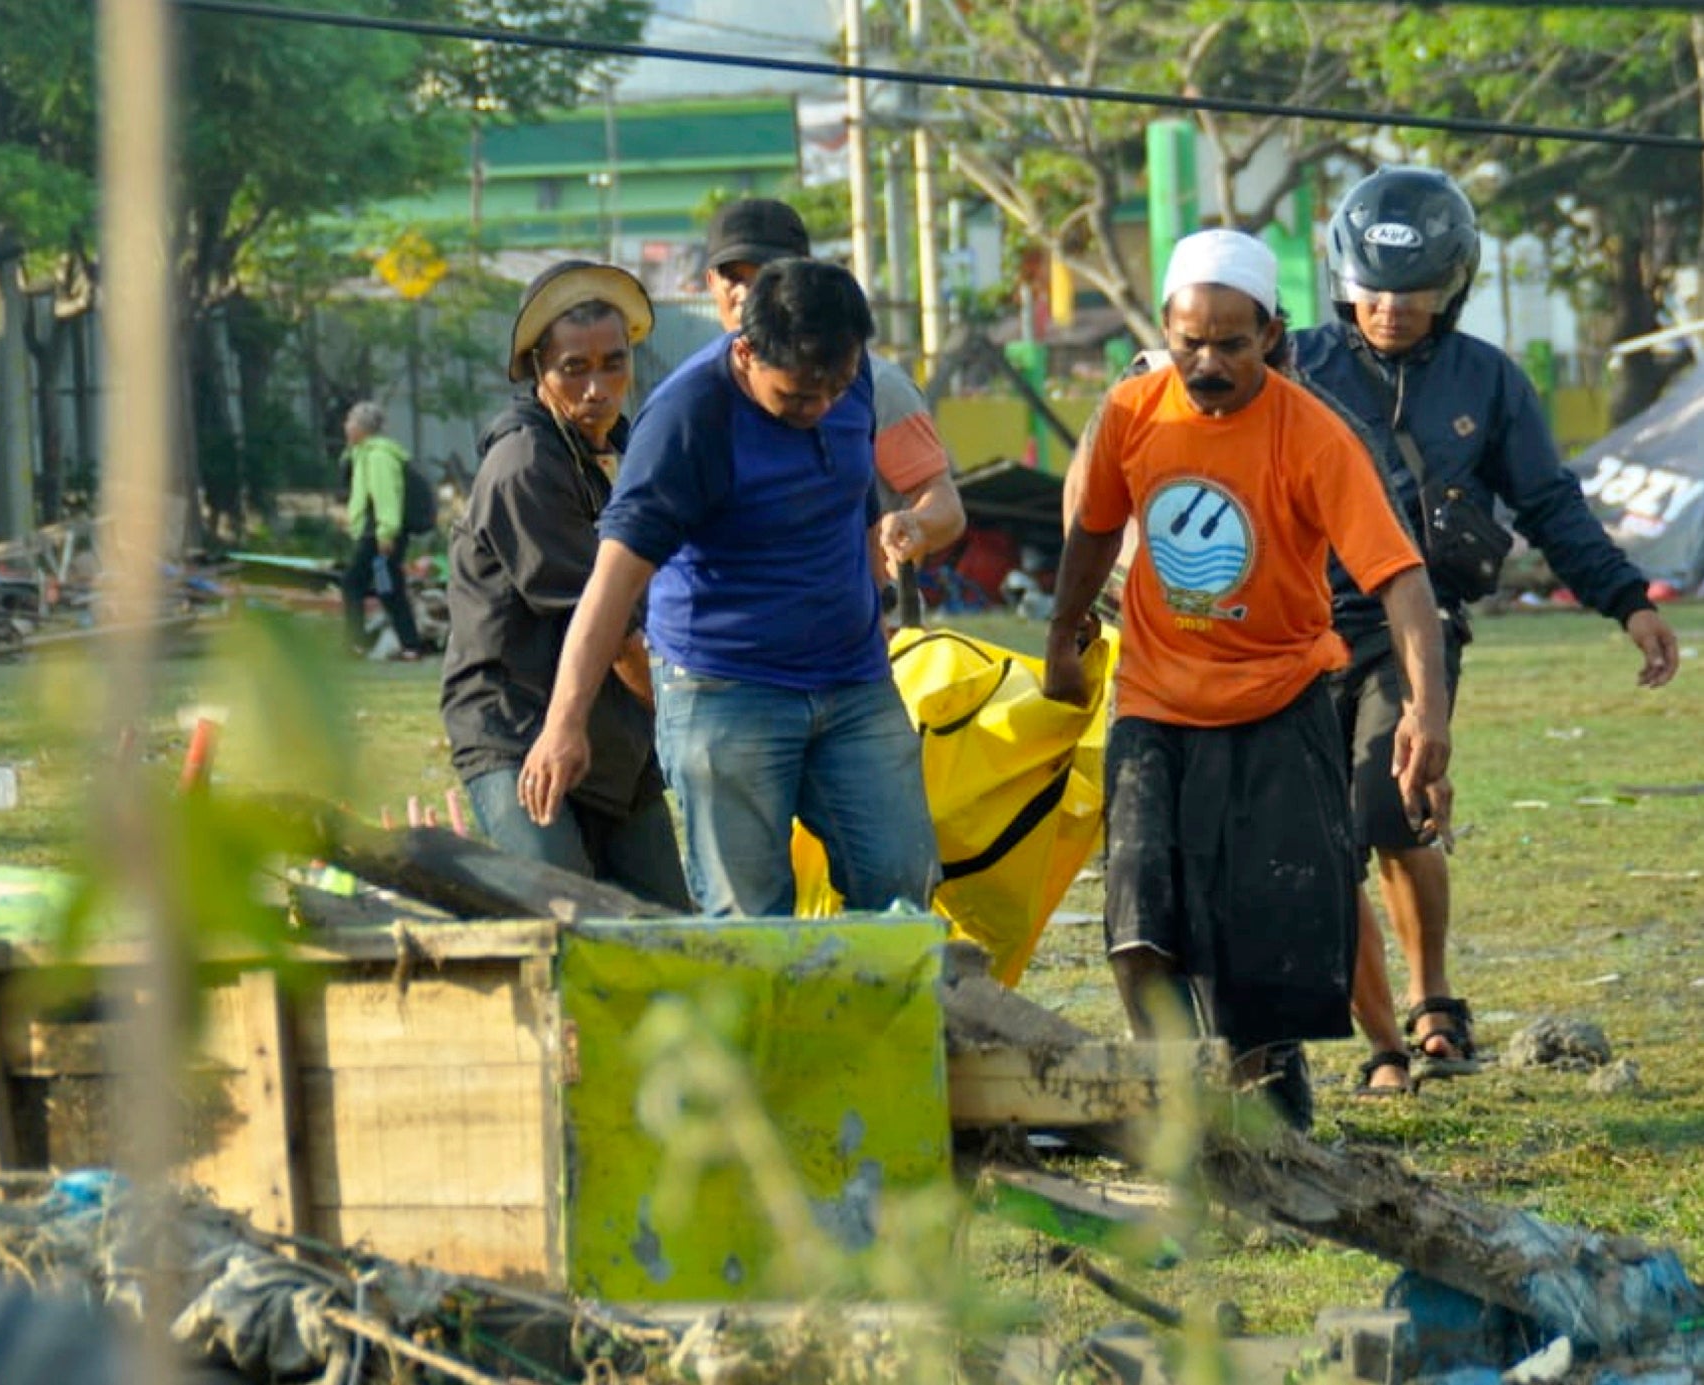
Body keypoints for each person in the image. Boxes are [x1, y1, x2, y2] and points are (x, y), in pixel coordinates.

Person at [1043, 228, 1452, 1127]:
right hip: (1154, 701)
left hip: (1278, 702)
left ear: (1271, 334)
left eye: (1233, 342)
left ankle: (1272, 1106)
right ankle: (1175, 1114)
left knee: (1263, 940)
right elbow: (1093, 534)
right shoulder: (1132, 413)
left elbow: (1399, 575)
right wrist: (1062, 636)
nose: (1209, 361)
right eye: (1191, 340)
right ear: (1166, 328)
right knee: (1139, 925)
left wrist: (1428, 709)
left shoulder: (1312, 434)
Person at [1293, 167, 1681, 1089]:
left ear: (1452, 287)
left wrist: (1629, 602)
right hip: (1295, 629)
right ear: (1345, 281)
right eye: (1373, 290)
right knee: (1322, 838)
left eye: (1414, 292)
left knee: (1390, 807)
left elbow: (1550, 504)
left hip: (1411, 628)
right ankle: (1384, 1043)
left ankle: (1435, 1002)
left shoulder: (1488, 381)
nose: (1389, 310)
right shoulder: (1291, 364)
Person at [519, 257, 940, 918]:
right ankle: (764, 1024)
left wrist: (871, 597)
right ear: (745, 351)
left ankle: (877, 1020)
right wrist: (564, 723)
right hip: (725, 690)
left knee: (901, 879)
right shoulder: (689, 420)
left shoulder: (845, 379)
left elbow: (847, 500)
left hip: (853, 681)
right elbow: (613, 579)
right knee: (749, 918)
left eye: (838, 385)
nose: (823, 406)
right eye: (799, 397)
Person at [438, 261, 690, 908]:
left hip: (616, 740)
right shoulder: (523, 462)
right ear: (536, 370)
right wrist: (693, 726)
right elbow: (615, 628)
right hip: (519, 731)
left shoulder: (628, 451)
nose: (598, 388)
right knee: (571, 927)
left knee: (671, 933)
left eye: (614, 362)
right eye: (574, 368)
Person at [701, 198, 966, 583]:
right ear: (710, 282)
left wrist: (917, 524)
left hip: (868, 626)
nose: (748, 293)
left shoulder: (876, 386)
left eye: (766, 277)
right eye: (735, 277)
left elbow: (945, 503)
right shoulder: (696, 398)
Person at [339, 400, 426, 660]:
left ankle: (355, 644)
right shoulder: (364, 454)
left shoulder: (378, 457)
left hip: (379, 534)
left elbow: (385, 496)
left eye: (350, 422)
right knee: (389, 589)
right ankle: (410, 645)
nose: (346, 427)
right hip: (376, 533)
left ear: (361, 427)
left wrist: (386, 531)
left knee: (352, 584)